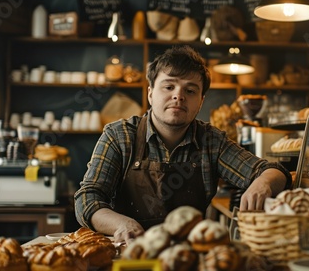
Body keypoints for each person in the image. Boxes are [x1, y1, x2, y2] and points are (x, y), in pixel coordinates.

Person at [74, 45, 292, 243]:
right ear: (150, 93)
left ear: (201, 102)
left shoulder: (211, 141)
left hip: (188, 256)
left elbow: (272, 170)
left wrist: (263, 183)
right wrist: (122, 224)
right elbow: (88, 199)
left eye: (190, 90)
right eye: (168, 87)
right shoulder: (119, 136)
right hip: (129, 254)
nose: (178, 96)